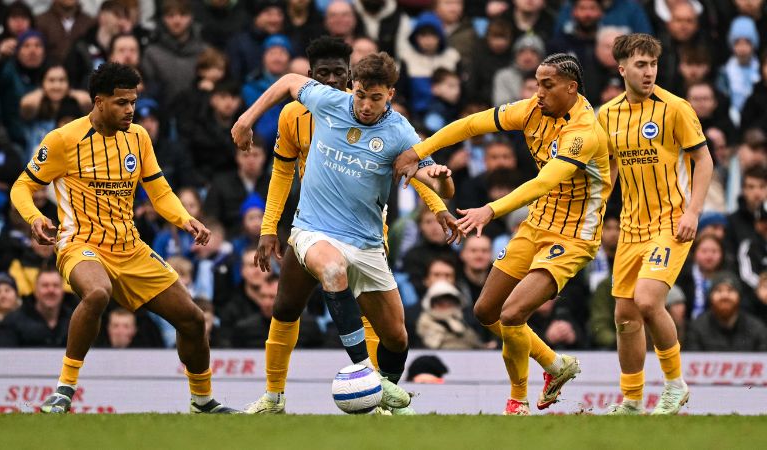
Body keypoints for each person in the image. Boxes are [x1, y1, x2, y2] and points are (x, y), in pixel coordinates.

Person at [235, 37, 457, 415]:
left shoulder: (401, 132)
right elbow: (287, 83)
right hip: (312, 230)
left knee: (396, 336)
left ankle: (382, 394)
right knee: (300, 296)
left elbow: (424, 176)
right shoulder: (324, 104)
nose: (365, 105)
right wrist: (245, 119)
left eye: (375, 98)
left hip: (368, 240)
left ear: (390, 94)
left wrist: (442, 187)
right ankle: (306, 389)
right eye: (359, 95)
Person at [9, 62, 236, 414]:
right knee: (98, 292)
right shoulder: (63, 140)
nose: (131, 110)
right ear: (99, 102)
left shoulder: (139, 137)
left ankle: (203, 402)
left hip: (130, 248)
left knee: (191, 319)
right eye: (122, 103)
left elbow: (158, 190)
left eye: (133, 101)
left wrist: (185, 218)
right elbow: (23, 185)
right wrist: (35, 217)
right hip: (80, 243)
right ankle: (63, 392)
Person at [394, 52, 610, 415]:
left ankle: (517, 400)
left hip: (574, 236)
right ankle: (556, 366)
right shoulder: (531, 110)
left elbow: (544, 181)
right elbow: (470, 126)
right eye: (536, 83)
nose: (538, 92)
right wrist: (419, 150)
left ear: (572, 88)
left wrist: (489, 210)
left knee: (511, 314)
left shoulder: (584, 132)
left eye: (547, 85)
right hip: (537, 224)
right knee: (485, 310)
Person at [598, 34, 713, 415]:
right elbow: (609, 168)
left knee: (648, 300)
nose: (648, 73)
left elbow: (704, 160)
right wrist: (596, 212)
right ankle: (632, 401)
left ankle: (675, 384)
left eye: (653, 65)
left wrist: (693, 213)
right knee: (625, 316)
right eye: (640, 65)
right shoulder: (607, 115)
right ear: (622, 68)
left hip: (671, 222)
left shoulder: (675, 108)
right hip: (631, 227)